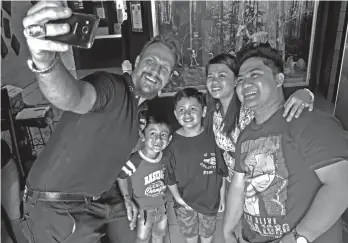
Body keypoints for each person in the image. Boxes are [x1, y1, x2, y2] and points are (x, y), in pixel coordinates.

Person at [21, 2, 178, 243]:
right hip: (57, 207)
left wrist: (125, 198)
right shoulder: (112, 87)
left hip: (103, 199)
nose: (155, 71)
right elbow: (74, 96)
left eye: (164, 69)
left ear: (167, 81)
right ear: (136, 62)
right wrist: (44, 61)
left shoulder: (141, 112)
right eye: (150, 61)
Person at [223, 42, 348, 243]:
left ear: (279, 79)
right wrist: (227, 230)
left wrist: (297, 238)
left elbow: (342, 184)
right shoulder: (246, 135)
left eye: (255, 75)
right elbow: (238, 186)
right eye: (240, 80)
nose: (245, 84)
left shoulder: (308, 121)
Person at [204, 53, 315, 242]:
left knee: (270, 220)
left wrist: (306, 94)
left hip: (262, 177)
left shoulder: (250, 108)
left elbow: (282, 108)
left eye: (222, 76)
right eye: (210, 77)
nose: (215, 81)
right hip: (235, 177)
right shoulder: (212, 110)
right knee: (245, 221)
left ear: (235, 81)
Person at [166, 88, 229, 243]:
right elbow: (169, 176)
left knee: (207, 235)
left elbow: (221, 171)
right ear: (175, 114)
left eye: (193, 109)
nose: (187, 114)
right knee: (190, 236)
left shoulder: (213, 139)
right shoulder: (171, 143)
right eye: (181, 110)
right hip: (184, 203)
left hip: (210, 202)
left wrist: (222, 197)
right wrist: (178, 199)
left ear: (204, 111)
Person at [117, 116, 172, 243]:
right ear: (143, 136)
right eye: (152, 133)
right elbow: (121, 176)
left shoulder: (165, 158)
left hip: (162, 208)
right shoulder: (135, 160)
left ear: (168, 140)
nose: (158, 139)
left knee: (159, 235)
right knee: (142, 238)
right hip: (144, 211)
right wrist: (126, 197)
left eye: (163, 135)